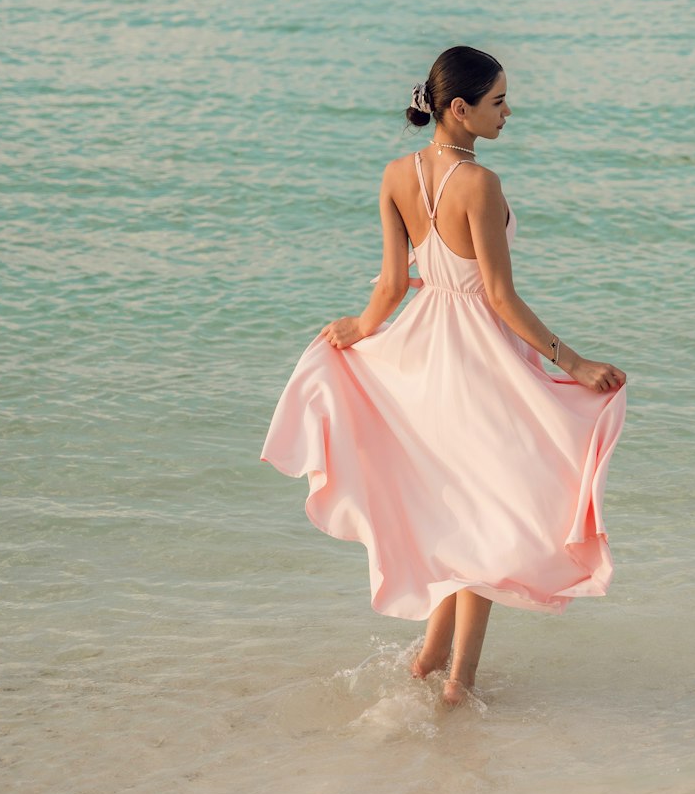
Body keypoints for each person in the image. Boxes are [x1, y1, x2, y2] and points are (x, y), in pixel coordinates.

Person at [260, 45, 627, 708]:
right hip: (480, 360)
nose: (509, 113)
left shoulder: (397, 174)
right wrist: (572, 362)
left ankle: (428, 659)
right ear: (460, 109)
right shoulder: (480, 185)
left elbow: (395, 286)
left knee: (464, 507)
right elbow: (499, 296)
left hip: (425, 353)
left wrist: (358, 329)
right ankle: (461, 687)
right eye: (499, 102)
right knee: (487, 515)